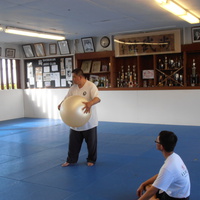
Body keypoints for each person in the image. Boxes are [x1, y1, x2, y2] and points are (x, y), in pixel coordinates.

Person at [58, 68, 101, 167]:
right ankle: (71, 160)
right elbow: (67, 99)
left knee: (91, 144)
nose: (73, 79)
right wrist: (61, 104)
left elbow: (97, 98)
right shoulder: (73, 88)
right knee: (73, 143)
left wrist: (90, 103)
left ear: (80, 77)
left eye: (74, 77)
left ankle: (91, 160)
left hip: (89, 121)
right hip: (74, 121)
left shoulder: (91, 86)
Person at [136, 131, 190, 200]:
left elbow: (152, 191)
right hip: (178, 193)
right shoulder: (176, 156)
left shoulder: (168, 167)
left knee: (150, 191)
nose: (155, 143)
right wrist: (143, 184)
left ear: (161, 146)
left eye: (157, 141)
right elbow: (160, 176)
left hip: (175, 198)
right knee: (147, 185)